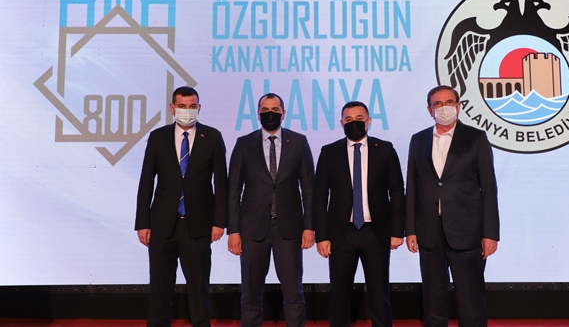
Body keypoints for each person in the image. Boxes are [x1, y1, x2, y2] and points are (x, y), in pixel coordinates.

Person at [405, 85, 500, 327]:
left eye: (449, 102)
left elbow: (489, 188)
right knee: (433, 301)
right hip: (429, 232)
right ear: (430, 110)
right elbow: (412, 187)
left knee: (471, 301)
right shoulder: (418, 140)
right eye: (438, 104)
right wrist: (410, 229)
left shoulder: (475, 138)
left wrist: (490, 233)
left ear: (458, 106)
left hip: (467, 232)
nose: (444, 108)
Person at [135, 86, 228, 327]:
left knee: (199, 288)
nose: (187, 111)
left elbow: (221, 183)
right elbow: (146, 181)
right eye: (182, 106)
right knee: (159, 289)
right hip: (162, 226)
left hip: (198, 227)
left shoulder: (213, 137)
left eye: (192, 106)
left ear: (199, 107)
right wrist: (142, 223)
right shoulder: (158, 137)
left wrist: (220, 221)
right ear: (172, 108)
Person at [313, 101, 405, 327]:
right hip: (341, 234)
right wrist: (321, 236)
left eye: (359, 119)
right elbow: (320, 195)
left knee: (379, 294)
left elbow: (397, 192)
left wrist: (397, 231)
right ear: (341, 122)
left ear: (368, 121)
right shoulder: (329, 152)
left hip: (376, 233)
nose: (354, 123)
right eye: (349, 119)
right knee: (338, 295)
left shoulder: (385, 149)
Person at [227, 93, 315, 327]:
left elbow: (308, 188)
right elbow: (233, 190)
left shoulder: (299, 142)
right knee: (251, 294)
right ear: (258, 114)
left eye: (275, 110)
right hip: (252, 230)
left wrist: (309, 227)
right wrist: (233, 231)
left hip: (289, 229)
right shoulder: (244, 144)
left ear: (284, 113)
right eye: (265, 110)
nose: (270, 114)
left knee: (294, 293)